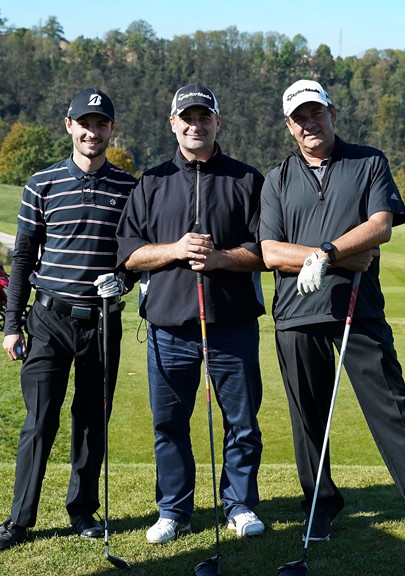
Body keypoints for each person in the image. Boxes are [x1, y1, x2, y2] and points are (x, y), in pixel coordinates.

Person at [259, 79, 405, 555]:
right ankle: (320, 506)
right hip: (296, 315)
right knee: (309, 421)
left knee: (394, 412)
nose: (309, 124)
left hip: (357, 310)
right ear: (289, 125)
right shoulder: (276, 178)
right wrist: (334, 257)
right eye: (299, 118)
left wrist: (326, 252)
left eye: (316, 113)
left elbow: (380, 226)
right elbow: (270, 252)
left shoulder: (368, 162)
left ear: (332, 113)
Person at [116, 83, 266, 543]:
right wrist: (176, 250)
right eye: (187, 118)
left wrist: (220, 258)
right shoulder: (151, 182)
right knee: (169, 425)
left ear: (218, 122)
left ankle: (239, 505)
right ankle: (174, 510)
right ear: (173, 124)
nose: (195, 125)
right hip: (168, 327)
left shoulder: (247, 180)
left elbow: (266, 251)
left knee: (242, 422)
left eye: (204, 117)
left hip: (233, 325)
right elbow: (129, 254)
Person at [0, 88, 138, 551]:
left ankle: (83, 509)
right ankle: (19, 519)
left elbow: (136, 255)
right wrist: (12, 325)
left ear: (112, 129)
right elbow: (21, 258)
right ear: (69, 125)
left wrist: (123, 281)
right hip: (48, 319)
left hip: (102, 322)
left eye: (101, 124)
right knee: (40, 421)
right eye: (85, 123)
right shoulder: (42, 183)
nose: (93, 132)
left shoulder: (130, 188)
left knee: (92, 419)